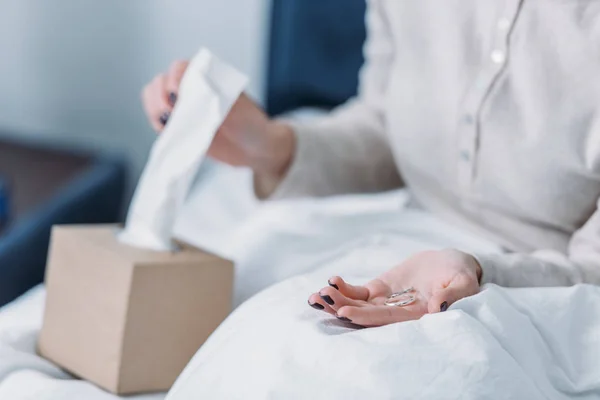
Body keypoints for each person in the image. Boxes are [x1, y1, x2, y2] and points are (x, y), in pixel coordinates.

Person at [142, 1, 600, 327]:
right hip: (407, 235)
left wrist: (481, 271)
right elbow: (387, 124)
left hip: (544, 287)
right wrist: (273, 146)